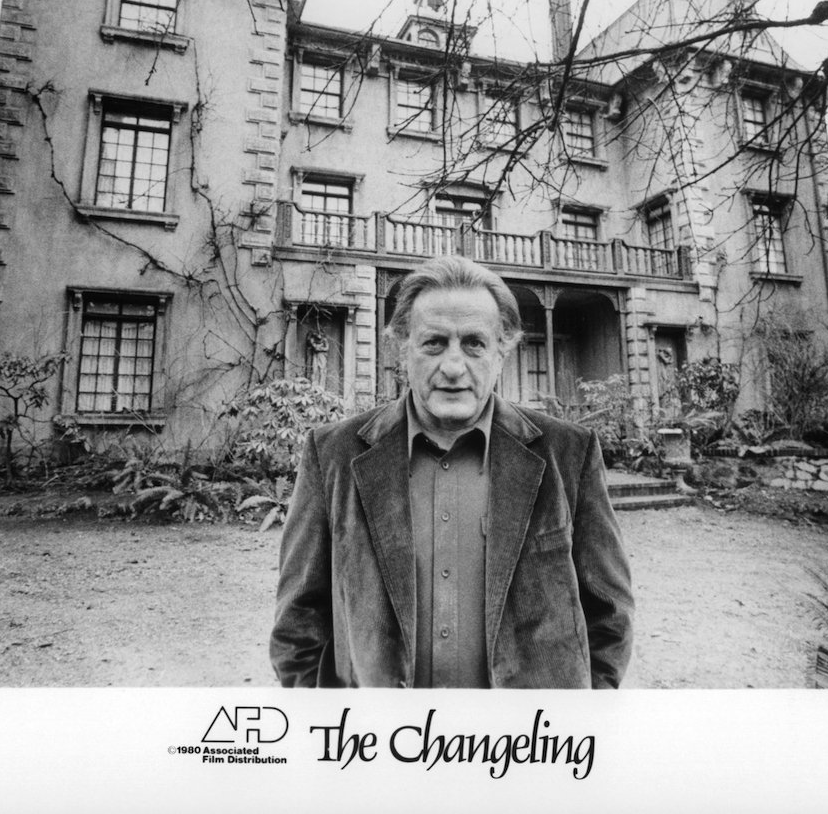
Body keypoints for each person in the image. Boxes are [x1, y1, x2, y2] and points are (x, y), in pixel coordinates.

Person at [269, 256, 634, 688]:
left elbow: (610, 614)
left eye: (474, 344)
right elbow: (298, 623)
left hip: (526, 743)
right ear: (402, 347)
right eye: (434, 343)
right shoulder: (332, 455)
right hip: (379, 745)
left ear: (503, 351)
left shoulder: (569, 455)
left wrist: (577, 720)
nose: (454, 367)